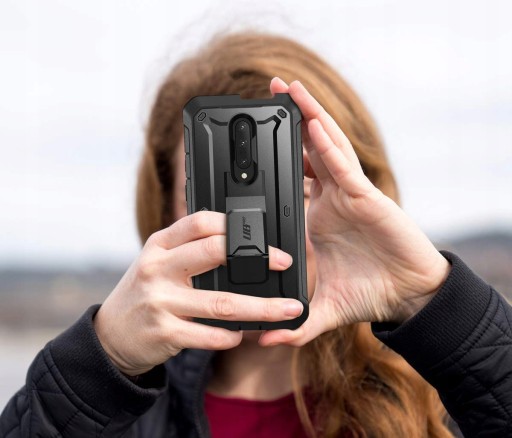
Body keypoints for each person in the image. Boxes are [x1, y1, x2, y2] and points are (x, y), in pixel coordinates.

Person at [1, 31, 511, 438]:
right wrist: (99, 368)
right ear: (164, 213)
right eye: (211, 197)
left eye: (297, 188)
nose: (253, 231)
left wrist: (437, 306)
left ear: (367, 200)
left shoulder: (444, 393)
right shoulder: (118, 410)